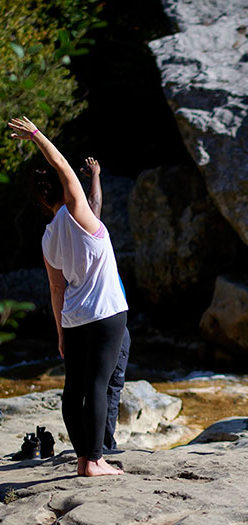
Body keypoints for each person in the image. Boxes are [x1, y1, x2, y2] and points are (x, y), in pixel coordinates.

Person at [9, 116, 127, 476]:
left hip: (74, 317)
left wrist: (60, 332)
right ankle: (95, 460)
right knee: (98, 385)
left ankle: (81, 458)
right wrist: (36, 135)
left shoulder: (49, 236)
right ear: (64, 190)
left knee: (73, 386)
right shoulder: (81, 215)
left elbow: (55, 288)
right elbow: (60, 164)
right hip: (106, 313)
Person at [80, 157, 131, 452]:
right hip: (111, 318)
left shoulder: (57, 236)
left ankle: (90, 445)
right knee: (111, 385)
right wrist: (96, 175)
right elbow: (95, 203)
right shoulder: (94, 237)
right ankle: (104, 447)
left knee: (90, 384)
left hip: (81, 319)